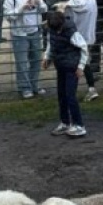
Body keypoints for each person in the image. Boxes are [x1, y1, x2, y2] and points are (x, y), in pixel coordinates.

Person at [43, 10, 88, 138]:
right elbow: (50, 44)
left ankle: (79, 125)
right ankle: (65, 122)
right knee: (61, 95)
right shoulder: (52, 30)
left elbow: (84, 48)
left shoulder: (72, 32)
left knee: (70, 96)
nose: (57, 32)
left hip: (72, 68)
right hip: (60, 66)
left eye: (58, 29)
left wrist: (80, 67)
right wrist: (47, 57)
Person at [3, 0, 48, 98]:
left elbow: (44, 8)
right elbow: (8, 16)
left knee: (36, 60)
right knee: (22, 62)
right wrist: (22, 7)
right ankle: (24, 88)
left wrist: (38, 4)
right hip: (19, 34)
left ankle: (34, 85)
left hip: (35, 31)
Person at [62, 0, 99, 102]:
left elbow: (68, 7)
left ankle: (72, 91)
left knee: (76, 64)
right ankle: (91, 88)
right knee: (85, 62)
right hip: (89, 36)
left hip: (77, 38)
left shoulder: (71, 4)